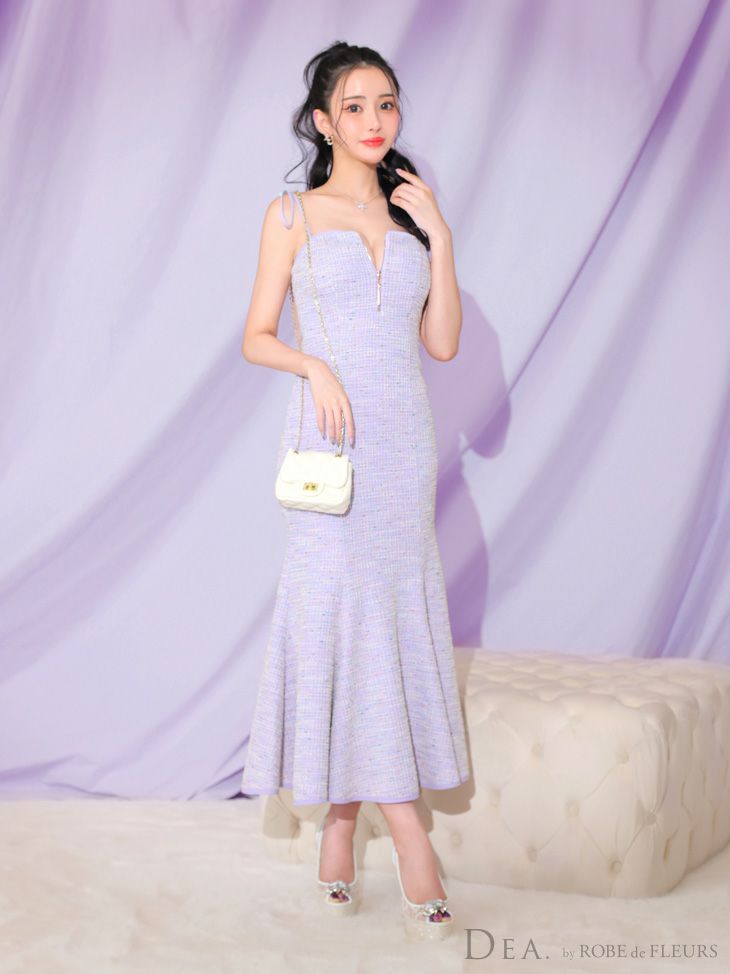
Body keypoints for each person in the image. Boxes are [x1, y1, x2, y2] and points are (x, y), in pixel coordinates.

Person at [240, 40, 469, 940]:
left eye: (388, 104)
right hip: (331, 449)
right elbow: (257, 335)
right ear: (323, 122)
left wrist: (440, 235)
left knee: (388, 622)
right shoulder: (291, 214)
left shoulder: (413, 214)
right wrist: (314, 367)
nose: (376, 121)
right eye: (356, 107)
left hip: (404, 451)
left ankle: (341, 820)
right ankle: (405, 832)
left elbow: (441, 343)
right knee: (339, 620)